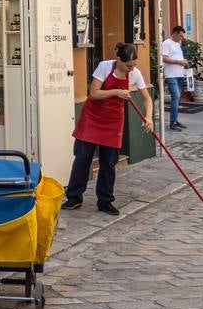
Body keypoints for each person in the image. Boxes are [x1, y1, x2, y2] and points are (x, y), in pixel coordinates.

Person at [63, 42, 152, 216]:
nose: (131, 69)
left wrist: (148, 117)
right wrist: (115, 92)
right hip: (92, 118)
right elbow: (93, 93)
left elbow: (147, 99)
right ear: (119, 59)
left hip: (113, 121)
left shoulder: (135, 74)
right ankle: (74, 197)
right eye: (128, 65)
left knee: (109, 162)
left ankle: (105, 200)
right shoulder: (104, 67)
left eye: (134, 65)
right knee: (82, 158)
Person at [161, 25, 188, 131]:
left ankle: (175, 120)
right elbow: (163, 57)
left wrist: (184, 62)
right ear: (175, 33)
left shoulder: (177, 44)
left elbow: (178, 57)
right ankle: (172, 123)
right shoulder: (167, 43)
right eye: (180, 36)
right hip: (171, 75)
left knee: (177, 98)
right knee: (175, 97)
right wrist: (178, 62)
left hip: (179, 74)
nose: (181, 38)